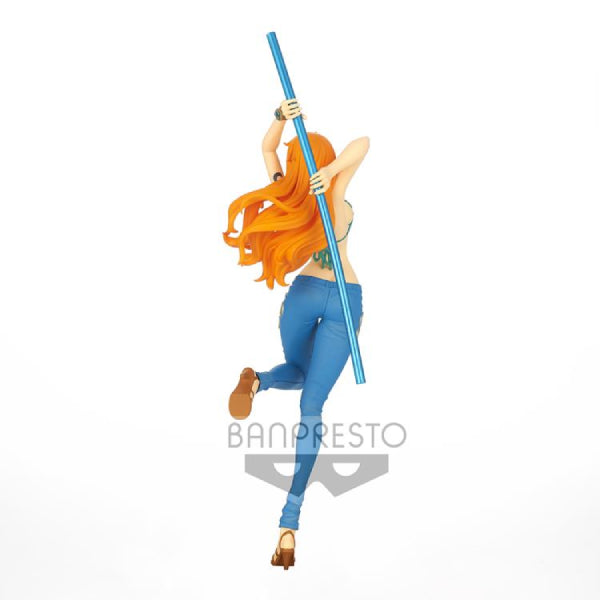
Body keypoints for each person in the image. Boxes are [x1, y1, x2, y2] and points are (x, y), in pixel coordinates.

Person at [223, 98, 369, 569]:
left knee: (298, 372)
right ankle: (289, 522)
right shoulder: (332, 193)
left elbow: (268, 150)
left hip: (303, 294)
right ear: (324, 162)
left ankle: (260, 381)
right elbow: (364, 143)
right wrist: (333, 171)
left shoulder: (293, 195)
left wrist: (278, 120)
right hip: (344, 298)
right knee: (312, 404)